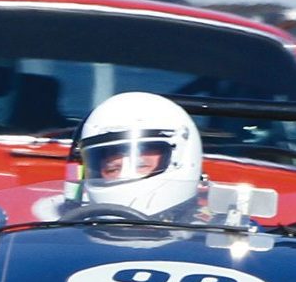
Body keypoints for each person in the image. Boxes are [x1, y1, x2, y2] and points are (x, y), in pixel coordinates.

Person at [74, 91, 203, 218]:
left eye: (141, 165)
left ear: (180, 159)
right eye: (112, 169)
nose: (122, 176)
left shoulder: (210, 233)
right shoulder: (65, 217)